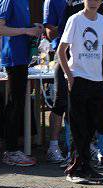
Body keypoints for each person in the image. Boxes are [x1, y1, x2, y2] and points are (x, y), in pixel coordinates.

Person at [58, 0, 103, 184]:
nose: (94, 2)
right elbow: (61, 50)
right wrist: (69, 76)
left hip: (97, 80)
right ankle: (74, 170)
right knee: (78, 126)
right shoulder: (75, 19)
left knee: (92, 126)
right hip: (78, 78)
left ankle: (86, 167)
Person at [0, 0, 43, 167]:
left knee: (19, 104)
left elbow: (15, 26)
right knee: (15, 105)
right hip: (14, 58)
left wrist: (32, 28)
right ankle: (10, 151)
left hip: (22, 58)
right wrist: (26, 30)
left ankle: (12, 149)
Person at [43, 0, 69, 164]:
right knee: (60, 101)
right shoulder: (52, 1)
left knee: (83, 102)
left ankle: (85, 144)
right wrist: (71, 27)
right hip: (62, 54)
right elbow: (49, 33)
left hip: (83, 54)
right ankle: (53, 147)